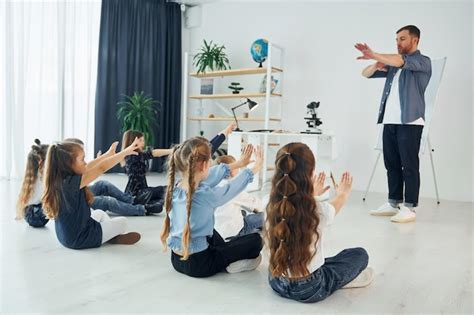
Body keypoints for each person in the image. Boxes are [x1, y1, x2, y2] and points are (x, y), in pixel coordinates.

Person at [266, 142, 373, 303]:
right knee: (359, 254)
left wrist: (312, 194)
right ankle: (344, 281)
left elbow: (294, 207)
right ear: (309, 174)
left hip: (276, 281)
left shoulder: (268, 203)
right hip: (309, 288)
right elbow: (334, 206)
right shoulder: (318, 209)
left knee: (330, 261)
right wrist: (343, 193)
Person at [355, 25, 432, 223]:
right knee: (392, 164)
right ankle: (393, 202)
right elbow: (365, 74)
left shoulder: (422, 61)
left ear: (415, 40)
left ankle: (409, 207)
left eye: (402, 39)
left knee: (410, 165)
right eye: (396, 39)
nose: (398, 43)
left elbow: (400, 60)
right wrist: (375, 64)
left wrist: (374, 54)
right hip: (390, 121)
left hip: (410, 121)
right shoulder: (393, 66)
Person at [160, 138, 264, 278]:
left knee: (210, 231)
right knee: (256, 240)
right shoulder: (204, 195)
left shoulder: (176, 187)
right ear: (204, 165)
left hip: (176, 260)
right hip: (200, 265)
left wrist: (237, 164)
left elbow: (210, 176)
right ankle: (229, 263)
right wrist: (255, 168)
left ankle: (224, 255)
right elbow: (231, 188)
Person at [41, 139, 142, 249]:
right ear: (68, 164)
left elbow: (88, 166)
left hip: (67, 237)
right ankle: (110, 236)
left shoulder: (62, 180)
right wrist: (124, 152)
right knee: (123, 222)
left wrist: (107, 155)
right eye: (82, 159)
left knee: (99, 212)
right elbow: (100, 168)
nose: (85, 162)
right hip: (80, 238)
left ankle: (108, 235)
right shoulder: (69, 185)